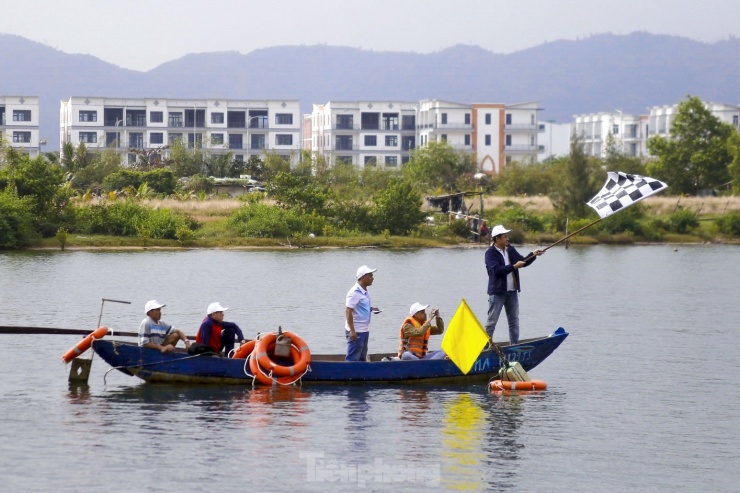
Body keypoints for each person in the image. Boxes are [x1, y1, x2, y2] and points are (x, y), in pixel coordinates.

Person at [484, 225, 544, 344]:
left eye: (507, 236)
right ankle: (484, 347)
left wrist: (533, 254)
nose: (507, 239)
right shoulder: (490, 254)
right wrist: (514, 267)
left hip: (512, 292)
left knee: (514, 321)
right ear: (497, 239)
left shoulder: (510, 249)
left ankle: (514, 345)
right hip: (497, 292)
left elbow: (522, 261)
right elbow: (497, 271)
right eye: (505, 237)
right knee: (492, 322)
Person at [345, 265, 379, 361]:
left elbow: (360, 307)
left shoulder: (364, 291)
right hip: (357, 331)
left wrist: (371, 309)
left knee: (361, 357)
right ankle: (349, 375)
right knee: (353, 358)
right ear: (363, 277)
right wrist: (352, 331)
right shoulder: (354, 292)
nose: (373, 278)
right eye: (370, 275)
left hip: (364, 330)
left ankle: (359, 375)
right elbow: (348, 311)